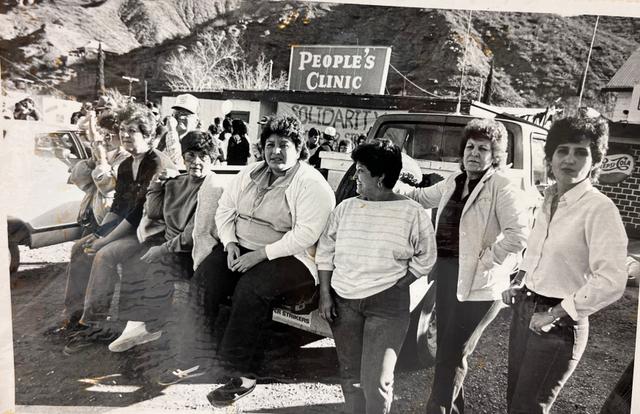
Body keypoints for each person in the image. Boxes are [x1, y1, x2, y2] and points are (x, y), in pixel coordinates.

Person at [166, 115, 335, 395]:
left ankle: (241, 370)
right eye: (270, 144)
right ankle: (195, 356)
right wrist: (230, 243)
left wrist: (259, 255)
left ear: (298, 148)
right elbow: (225, 209)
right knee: (204, 280)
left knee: (251, 289)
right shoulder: (251, 172)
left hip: (293, 258)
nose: (276, 151)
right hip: (242, 247)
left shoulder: (311, 184)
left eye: (284, 145)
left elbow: (305, 235)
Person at [398, 118, 530, 414]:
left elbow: (519, 234)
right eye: (470, 146)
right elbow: (420, 197)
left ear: (495, 156)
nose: (474, 153)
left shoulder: (501, 186)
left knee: (451, 353)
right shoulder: (454, 181)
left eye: (483, 149)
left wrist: (486, 260)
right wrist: (390, 182)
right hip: (447, 276)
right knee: (449, 350)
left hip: (480, 287)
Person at [501, 116, 628, 414]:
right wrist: (520, 279)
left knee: (527, 408)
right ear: (550, 156)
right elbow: (538, 252)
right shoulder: (546, 199)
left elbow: (612, 279)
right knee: (514, 403)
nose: (570, 159)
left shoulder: (599, 209)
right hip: (526, 310)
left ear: (595, 161)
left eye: (581, 152)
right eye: (562, 150)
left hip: (559, 325)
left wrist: (555, 314)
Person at [315, 140, 437, 414]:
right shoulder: (345, 208)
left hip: (387, 307)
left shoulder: (412, 213)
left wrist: (400, 284)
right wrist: (325, 294)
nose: (354, 177)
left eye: (360, 171)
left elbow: (426, 257)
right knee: (350, 378)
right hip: (344, 303)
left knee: (377, 382)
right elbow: (325, 252)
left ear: (380, 177)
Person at [57, 104, 175, 350]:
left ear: (148, 135)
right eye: (122, 130)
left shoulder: (157, 163)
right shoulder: (125, 165)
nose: (125, 135)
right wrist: (98, 233)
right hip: (128, 227)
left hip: (149, 233)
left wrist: (104, 241)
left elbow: (138, 213)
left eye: (132, 130)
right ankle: (74, 316)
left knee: (104, 254)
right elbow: (118, 206)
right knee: (81, 247)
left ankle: (95, 325)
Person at [107, 131, 219, 355]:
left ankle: (151, 325)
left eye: (202, 157)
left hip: (194, 249)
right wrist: (156, 184)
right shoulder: (177, 182)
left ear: (212, 159)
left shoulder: (212, 188)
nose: (195, 162)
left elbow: (193, 235)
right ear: (184, 159)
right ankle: (134, 325)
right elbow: (155, 212)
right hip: (170, 241)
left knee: (159, 264)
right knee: (133, 258)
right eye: (190, 156)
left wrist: (162, 249)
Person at [68, 109, 129, 234]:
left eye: (109, 135)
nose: (104, 139)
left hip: (110, 219)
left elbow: (110, 187)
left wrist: (101, 160)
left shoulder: (127, 158)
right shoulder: (105, 152)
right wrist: (91, 161)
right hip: (93, 214)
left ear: (121, 136)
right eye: (103, 134)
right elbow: (81, 181)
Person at [157, 93, 200, 169]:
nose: (180, 117)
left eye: (185, 114)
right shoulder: (166, 136)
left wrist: (172, 131)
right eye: (177, 113)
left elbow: (177, 165)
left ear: (196, 120)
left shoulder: (199, 140)